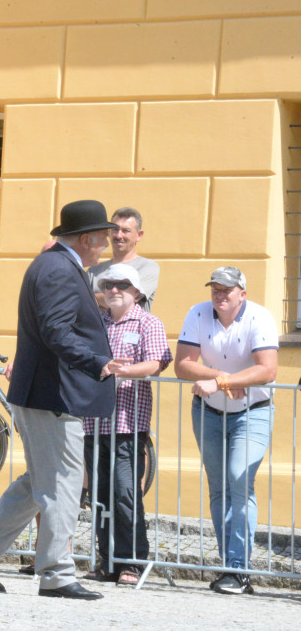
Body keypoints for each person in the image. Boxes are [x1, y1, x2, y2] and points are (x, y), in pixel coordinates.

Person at [0, 199, 123, 601]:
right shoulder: (58, 270)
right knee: (63, 483)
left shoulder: (56, 266)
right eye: (101, 238)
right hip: (53, 393)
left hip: (47, 392)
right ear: (84, 239)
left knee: (40, 482)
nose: (105, 245)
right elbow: (56, 332)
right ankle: (56, 574)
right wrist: (98, 362)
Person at [174, 266, 278, 596]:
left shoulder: (260, 317)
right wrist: (222, 376)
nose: (220, 295)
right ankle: (229, 565)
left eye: (227, 290)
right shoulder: (198, 313)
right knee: (219, 487)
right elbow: (182, 364)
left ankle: (238, 568)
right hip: (209, 412)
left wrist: (222, 382)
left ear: (242, 294)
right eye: (215, 289)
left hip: (253, 412)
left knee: (239, 479)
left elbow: (267, 369)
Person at [82, 264, 171, 586]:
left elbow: (158, 362)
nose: (113, 289)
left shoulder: (148, 322)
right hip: (94, 422)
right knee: (99, 495)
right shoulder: (95, 323)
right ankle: (107, 562)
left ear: (136, 292)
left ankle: (132, 561)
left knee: (124, 493)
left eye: (122, 285)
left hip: (128, 423)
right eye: (108, 284)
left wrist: (121, 371)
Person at [87, 207, 160, 312]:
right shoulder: (94, 270)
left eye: (126, 231)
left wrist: (94, 299)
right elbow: (80, 302)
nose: (118, 235)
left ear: (139, 235)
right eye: (115, 229)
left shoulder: (147, 267)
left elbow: (129, 300)